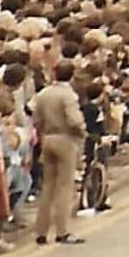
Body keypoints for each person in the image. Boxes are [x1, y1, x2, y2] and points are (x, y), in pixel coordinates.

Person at [31, 60, 89, 245]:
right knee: (65, 186)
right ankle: (62, 231)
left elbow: (36, 118)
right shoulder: (68, 95)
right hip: (65, 139)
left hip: (47, 138)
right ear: (71, 75)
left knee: (48, 186)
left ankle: (41, 231)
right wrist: (83, 131)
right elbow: (74, 120)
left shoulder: (43, 93)